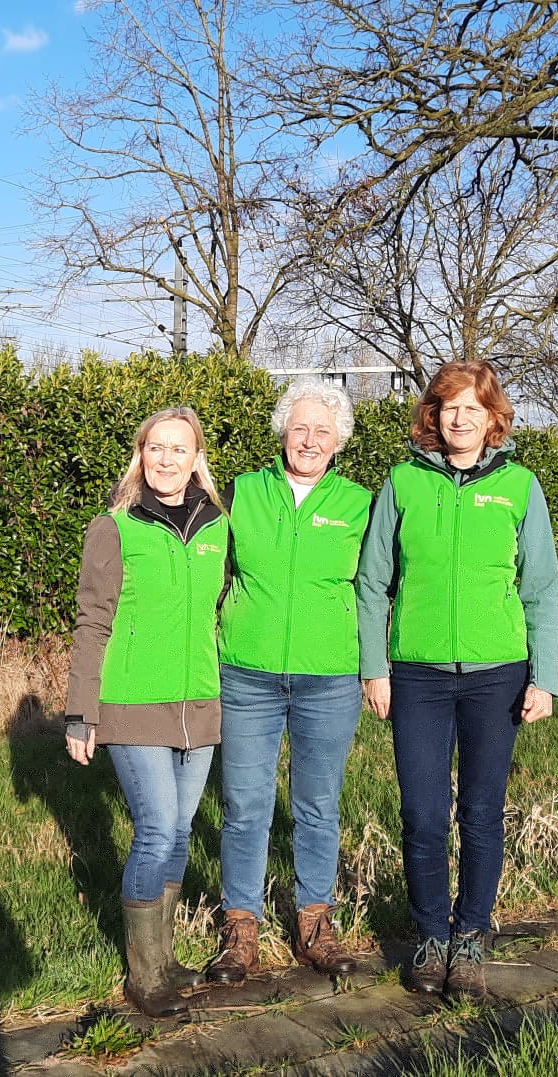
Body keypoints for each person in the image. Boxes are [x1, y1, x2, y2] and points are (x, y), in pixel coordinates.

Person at [355, 360, 558, 1001]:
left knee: (480, 813)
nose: (460, 418)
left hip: (497, 674)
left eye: (473, 407)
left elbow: (542, 587)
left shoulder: (521, 486)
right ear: (433, 417)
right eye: (449, 408)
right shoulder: (401, 483)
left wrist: (544, 677)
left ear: (492, 417)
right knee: (421, 814)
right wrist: (374, 667)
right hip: (416, 674)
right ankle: (430, 937)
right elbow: (371, 582)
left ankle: (471, 934)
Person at [64, 406, 229, 1019]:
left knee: (181, 831)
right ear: (141, 455)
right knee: (157, 828)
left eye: (179, 449)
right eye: (155, 448)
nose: (166, 459)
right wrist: (82, 712)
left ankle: (163, 961)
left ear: (196, 458)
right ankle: (142, 976)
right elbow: (92, 622)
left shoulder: (218, 525)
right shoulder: (114, 528)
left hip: (200, 701)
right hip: (133, 700)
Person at [206, 380, 372, 984]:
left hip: (329, 678)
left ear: (339, 443)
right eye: (299, 428)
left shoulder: (361, 504)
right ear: (282, 431)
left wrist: (377, 669)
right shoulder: (242, 492)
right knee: (245, 805)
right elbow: (208, 575)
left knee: (317, 806)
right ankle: (240, 929)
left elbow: (380, 590)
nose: (309, 440)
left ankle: (314, 922)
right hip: (246, 675)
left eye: (322, 431)